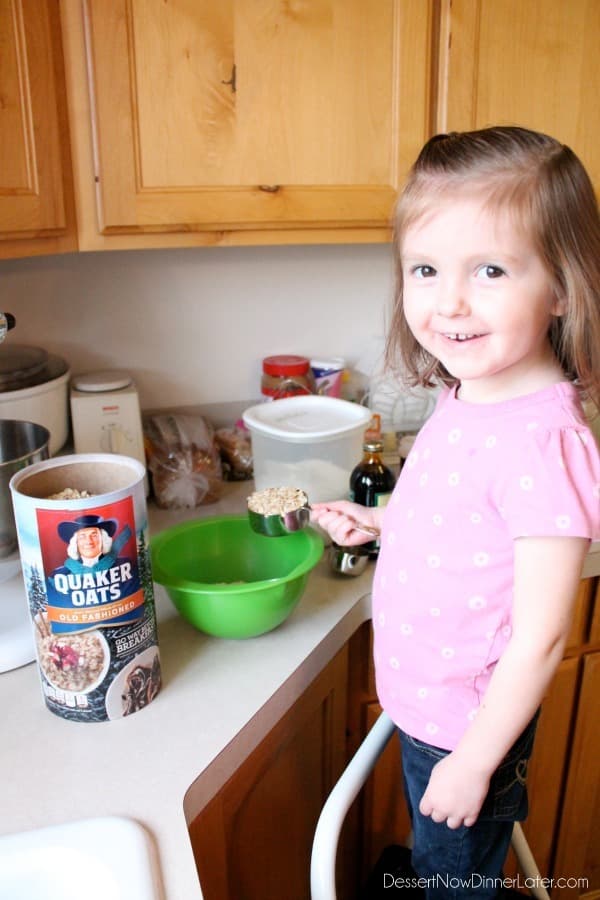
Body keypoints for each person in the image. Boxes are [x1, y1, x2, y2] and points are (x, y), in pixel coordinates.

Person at [311, 126, 600, 897]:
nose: (449, 303)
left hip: (468, 731)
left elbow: (541, 637)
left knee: (454, 886)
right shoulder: (467, 390)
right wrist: (383, 524)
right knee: (440, 872)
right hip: (430, 707)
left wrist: (473, 762)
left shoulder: (542, 443)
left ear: (563, 287)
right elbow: (459, 517)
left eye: (491, 269)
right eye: (426, 269)